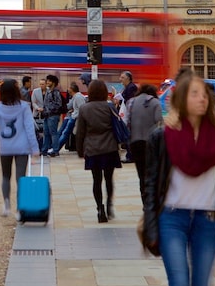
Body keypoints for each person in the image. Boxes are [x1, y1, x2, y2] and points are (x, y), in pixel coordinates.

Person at [142, 72, 215, 286]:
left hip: (206, 219)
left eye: (204, 94)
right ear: (181, 100)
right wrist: (150, 224)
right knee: (179, 285)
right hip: (172, 218)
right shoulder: (163, 135)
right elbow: (150, 183)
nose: (202, 99)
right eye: (194, 94)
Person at [0, 79, 39, 218]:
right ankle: (20, 209)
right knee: (20, 178)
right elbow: (29, 128)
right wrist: (35, 147)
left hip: (6, 146)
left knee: (6, 176)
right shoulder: (24, 106)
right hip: (22, 147)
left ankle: (6, 205)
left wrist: (0, 137)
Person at [76, 79, 122, 223]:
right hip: (109, 147)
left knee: (96, 180)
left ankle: (99, 208)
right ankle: (109, 204)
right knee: (109, 179)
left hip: (92, 148)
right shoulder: (110, 107)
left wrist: (80, 150)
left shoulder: (84, 109)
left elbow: (80, 133)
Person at [127, 84, 161, 206]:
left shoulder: (131, 102)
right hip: (151, 143)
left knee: (141, 174)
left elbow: (127, 121)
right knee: (152, 173)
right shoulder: (155, 102)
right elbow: (159, 121)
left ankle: (144, 201)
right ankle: (152, 199)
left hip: (135, 143)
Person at [55, 81, 86, 152]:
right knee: (65, 132)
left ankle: (56, 148)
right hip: (73, 117)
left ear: (72, 90)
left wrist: (74, 113)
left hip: (75, 118)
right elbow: (69, 106)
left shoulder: (78, 97)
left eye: (69, 88)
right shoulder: (74, 97)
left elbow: (82, 108)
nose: (67, 90)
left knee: (65, 133)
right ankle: (56, 148)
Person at [42, 74, 64, 157]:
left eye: (49, 81)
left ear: (53, 82)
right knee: (46, 133)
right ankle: (44, 150)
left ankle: (55, 150)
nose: (47, 82)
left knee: (53, 133)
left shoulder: (56, 92)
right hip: (47, 115)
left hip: (53, 116)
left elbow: (59, 104)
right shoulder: (48, 91)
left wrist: (50, 110)